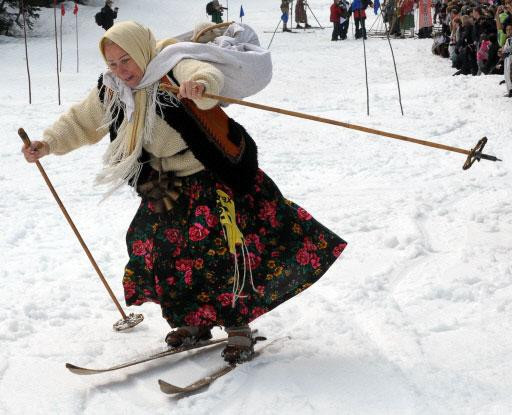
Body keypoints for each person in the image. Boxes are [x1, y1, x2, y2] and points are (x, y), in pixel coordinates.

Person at [21, 21, 346, 364]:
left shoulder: (172, 65)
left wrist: (200, 85)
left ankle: (237, 326)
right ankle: (193, 322)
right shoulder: (113, 88)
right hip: (166, 184)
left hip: (210, 174)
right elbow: (82, 121)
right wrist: (47, 143)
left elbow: (202, 72)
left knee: (219, 251)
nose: (121, 70)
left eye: (126, 60)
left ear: (142, 50)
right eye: (112, 63)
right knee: (160, 248)